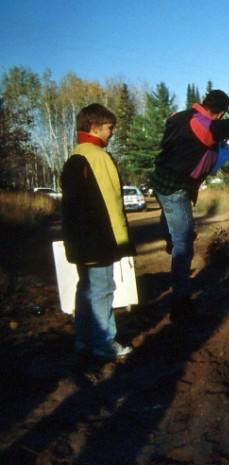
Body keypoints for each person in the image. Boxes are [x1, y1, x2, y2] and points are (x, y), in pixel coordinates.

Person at [150, 90, 229, 320]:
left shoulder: (179, 116)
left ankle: (170, 236)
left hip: (162, 182)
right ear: (219, 113)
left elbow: (211, 133)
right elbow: (215, 130)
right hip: (175, 189)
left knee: (170, 221)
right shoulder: (204, 125)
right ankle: (180, 304)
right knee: (184, 244)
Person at [60, 103, 136, 360]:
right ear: (94, 126)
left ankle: (83, 340)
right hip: (99, 241)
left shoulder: (74, 157)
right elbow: (111, 203)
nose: (111, 133)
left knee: (86, 289)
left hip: (80, 242)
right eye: (109, 128)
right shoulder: (98, 157)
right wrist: (120, 242)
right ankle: (104, 344)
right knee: (103, 291)